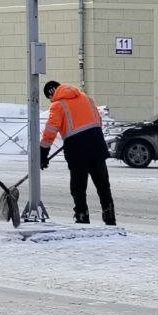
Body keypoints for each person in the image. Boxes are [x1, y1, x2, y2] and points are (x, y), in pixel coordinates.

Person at [41, 80, 116, 225]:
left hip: (77, 149)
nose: (51, 101)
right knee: (103, 185)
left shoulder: (58, 105)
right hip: (96, 143)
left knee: (78, 187)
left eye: (49, 98)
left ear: (51, 93)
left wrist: (43, 153)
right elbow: (97, 121)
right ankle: (110, 217)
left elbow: (50, 131)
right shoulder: (86, 98)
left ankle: (82, 216)